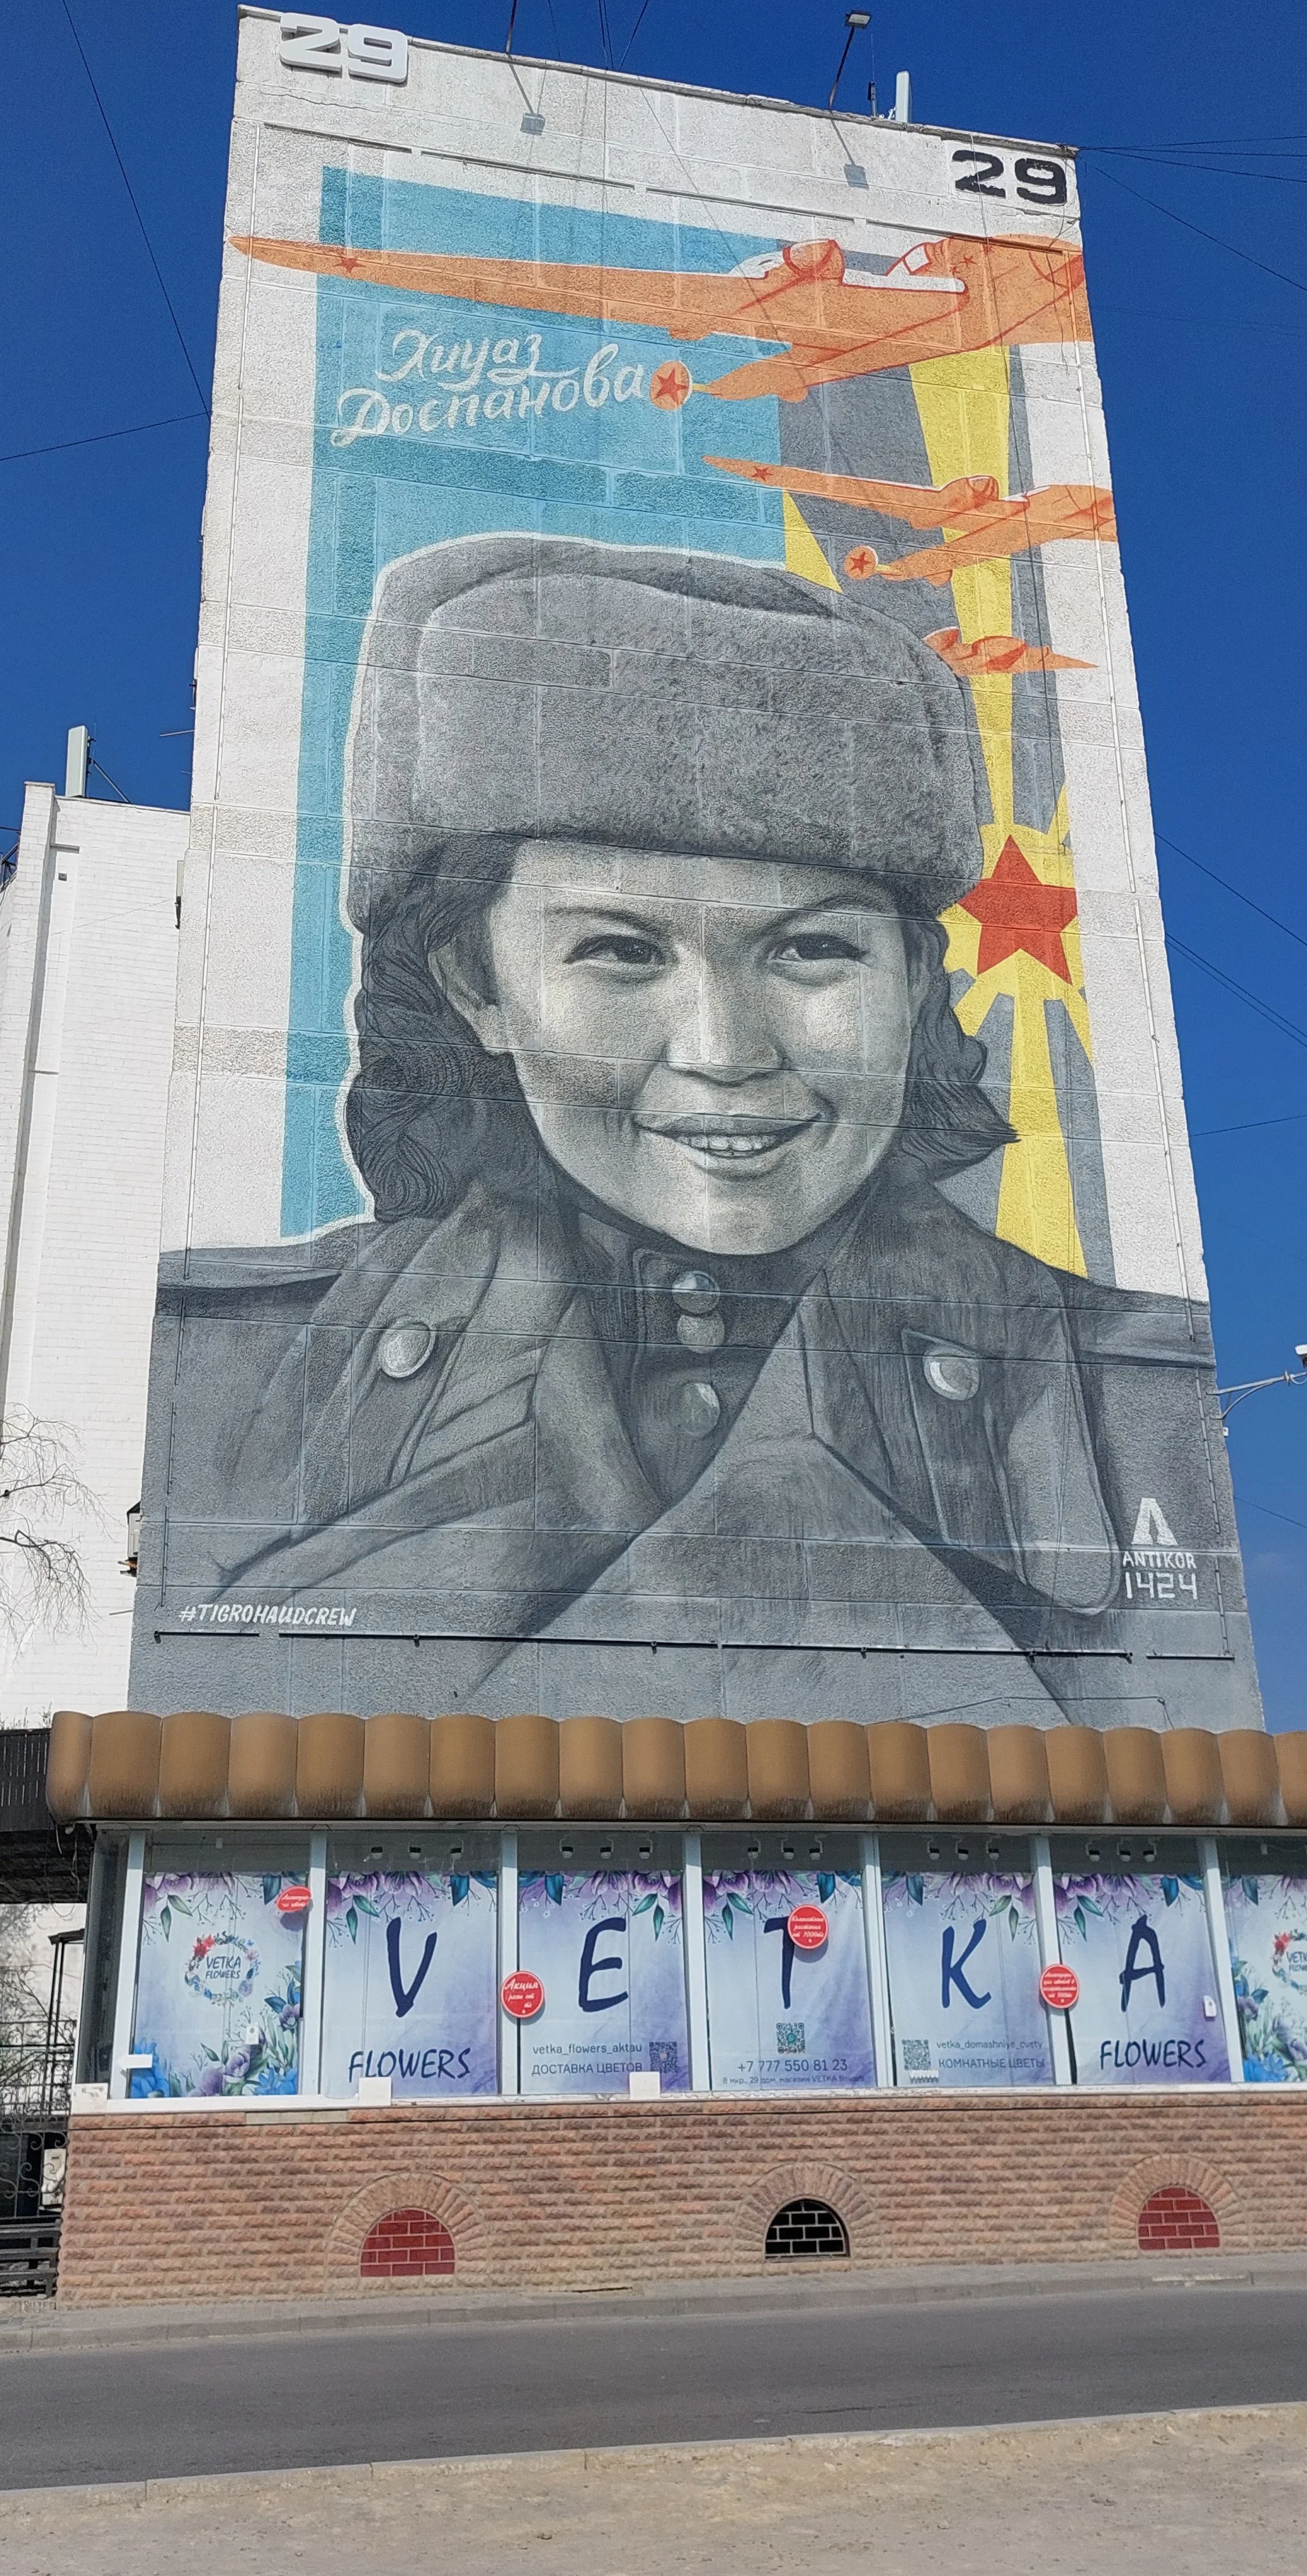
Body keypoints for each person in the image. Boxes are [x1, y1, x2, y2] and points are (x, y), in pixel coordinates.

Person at [142, 533, 1251, 1722]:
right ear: (474, 982)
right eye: (621, 952)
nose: (726, 1049)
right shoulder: (234, 1379)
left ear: (919, 984)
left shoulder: (1135, 1398)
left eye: (814, 948)